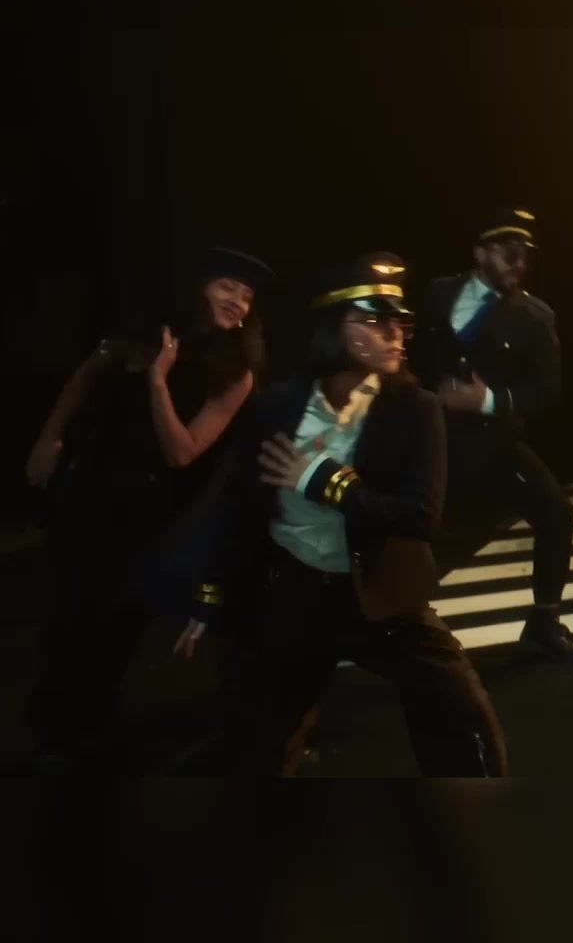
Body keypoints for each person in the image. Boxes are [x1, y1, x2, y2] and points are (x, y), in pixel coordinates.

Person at [194, 253, 506, 776]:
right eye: (375, 320)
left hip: (379, 596)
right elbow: (241, 507)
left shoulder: (416, 408)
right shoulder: (279, 406)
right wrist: (211, 594)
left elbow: (420, 516)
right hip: (294, 590)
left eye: (399, 321)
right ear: (333, 328)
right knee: (259, 736)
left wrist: (325, 482)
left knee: (461, 713)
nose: (394, 333)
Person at [21, 247, 272, 769]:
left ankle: (86, 731)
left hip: (151, 507)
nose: (238, 301)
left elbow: (183, 452)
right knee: (65, 611)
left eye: (247, 296)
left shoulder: (236, 371)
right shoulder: (144, 333)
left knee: (113, 622)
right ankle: (52, 728)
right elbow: (87, 374)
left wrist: (159, 383)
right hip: (89, 487)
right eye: (228, 286)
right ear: (200, 286)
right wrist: (49, 438)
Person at [412, 210, 573, 659]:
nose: (519, 264)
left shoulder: (534, 315)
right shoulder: (438, 293)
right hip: (429, 436)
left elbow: (547, 389)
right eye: (509, 254)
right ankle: (393, 629)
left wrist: (486, 400)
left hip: (491, 442)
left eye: (525, 257)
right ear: (481, 252)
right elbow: (415, 353)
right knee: (418, 533)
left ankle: (544, 622)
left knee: (557, 515)